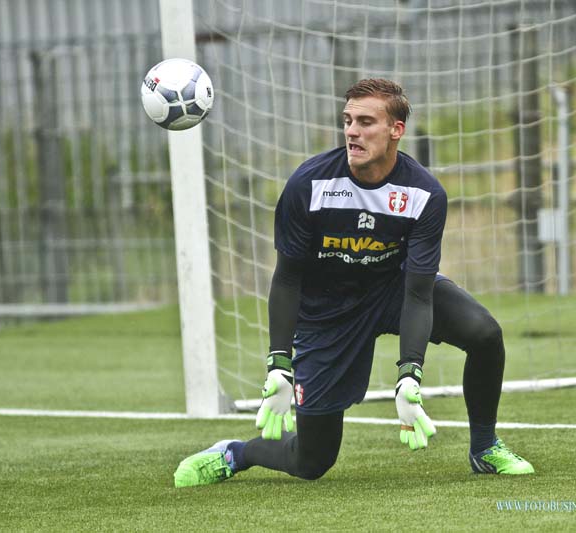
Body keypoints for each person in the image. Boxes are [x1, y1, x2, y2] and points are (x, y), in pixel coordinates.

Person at [173, 78, 534, 487]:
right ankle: (236, 453)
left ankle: (484, 449)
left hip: (392, 290)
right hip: (328, 311)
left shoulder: (423, 194)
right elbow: (288, 279)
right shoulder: (308, 185)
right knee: (312, 461)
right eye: (347, 121)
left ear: (396, 130)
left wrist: (409, 374)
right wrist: (279, 364)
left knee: (484, 334)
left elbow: (418, 291)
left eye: (365, 121)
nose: (352, 131)